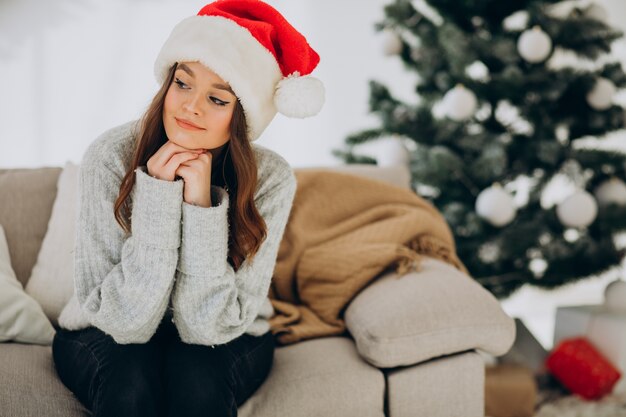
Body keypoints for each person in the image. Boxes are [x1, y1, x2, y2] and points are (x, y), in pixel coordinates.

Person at [51, 1, 324, 416]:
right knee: (130, 385)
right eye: (183, 83)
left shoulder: (271, 178)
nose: (190, 107)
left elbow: (205, 328)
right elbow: (126, 323)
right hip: (105, 327)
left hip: (226, 331)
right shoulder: (109, 157)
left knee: (198, 383)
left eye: (217, 99)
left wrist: (201, 210)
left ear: (243, 115)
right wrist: (158, 198)